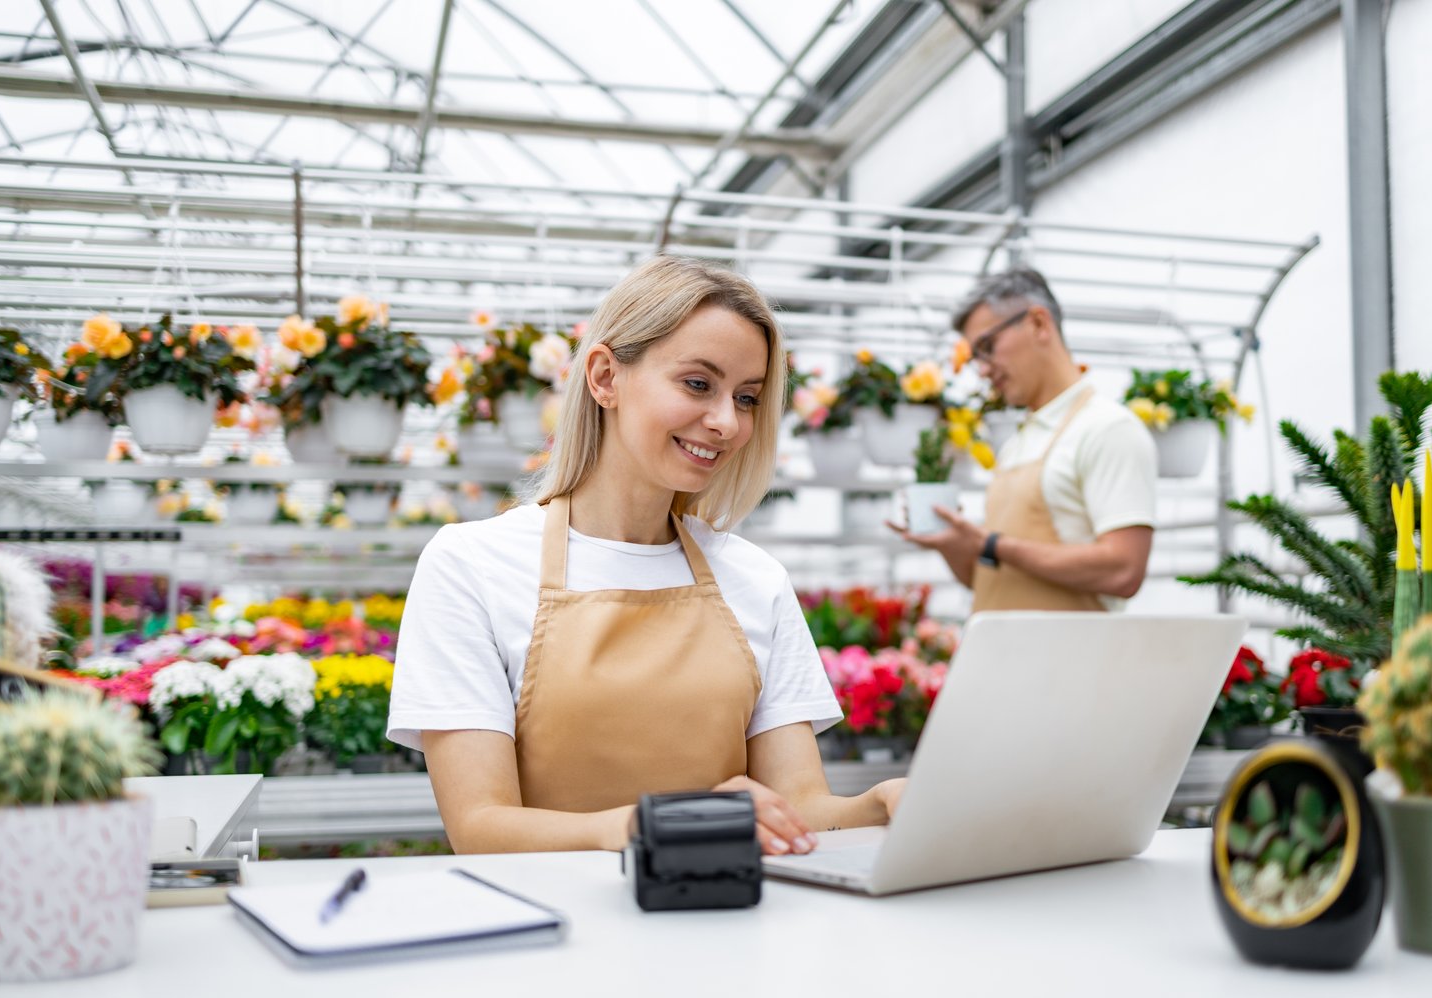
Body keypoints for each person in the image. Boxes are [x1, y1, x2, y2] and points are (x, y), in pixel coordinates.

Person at [387, 256, 903, 855]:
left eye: (747, 397)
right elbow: (480, 827)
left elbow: (801, 810)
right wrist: (650, 823)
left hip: (729, 925)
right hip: (552, 932)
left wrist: (881, 803)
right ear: (605, 377)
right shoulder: (471, 564)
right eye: (697, 384)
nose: (727, 423)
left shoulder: (754, 579)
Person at [896, 267, 1156, 612]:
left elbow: (1124, 569)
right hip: (1007, 661)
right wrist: (953, 543)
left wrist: (990, 544)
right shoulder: (1016, 444)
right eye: (976, 357)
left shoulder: (1106, 428)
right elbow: (991, 580)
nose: (984, 369)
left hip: (1068, 662)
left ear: (1038, 323)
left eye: (987, 347)